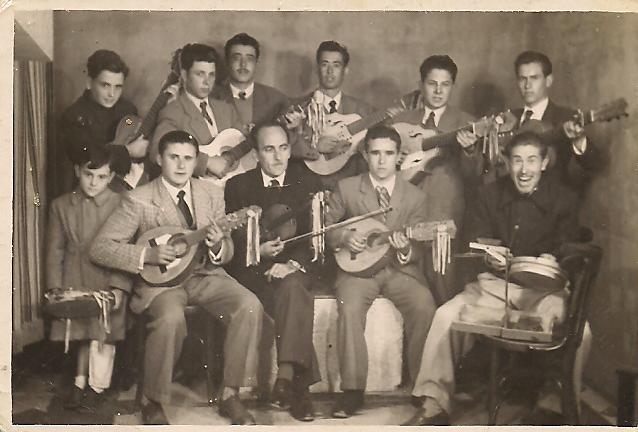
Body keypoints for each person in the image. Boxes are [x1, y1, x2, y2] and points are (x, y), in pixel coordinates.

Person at [402, 128, 591, 426]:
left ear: (544, 163)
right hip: (494, 287)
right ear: (507, 162)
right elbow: (475, 237)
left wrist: (554, 257)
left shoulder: (564, 199)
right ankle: (434, 403)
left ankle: (554, 405)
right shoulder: (490, 194)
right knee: (445, 315)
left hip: (543, 292)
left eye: (531, 161)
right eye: (517, 160)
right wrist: (489, 253)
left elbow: (568, 246)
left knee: (582, 331)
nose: (524, 169)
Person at [90, 130, 264, 425]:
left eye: (188, 159)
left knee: (249, 304)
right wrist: (146, 256)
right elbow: (101, 248)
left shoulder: (211, 193)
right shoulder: (139, 199)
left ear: (197, 161)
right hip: (161, 284)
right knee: (171, 319)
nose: (181, 166)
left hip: (205, 274)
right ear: (159, 159)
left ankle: (230, 394)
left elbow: (228, 251)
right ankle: (152, 399)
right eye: (174, 157)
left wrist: (218, 244)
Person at [324, 124, 437, 418]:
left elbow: (419, 248)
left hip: (399, 270)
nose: (382, 161)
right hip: (357, 271)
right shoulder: (347, 188)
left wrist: (403, 248)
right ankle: (351, 390)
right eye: (375, 153)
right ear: (365, 154)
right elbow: (325, 229)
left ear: (399, 156)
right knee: (348, 307)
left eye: (389, 154)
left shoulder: (414, 197)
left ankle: (421, 386)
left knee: (424, 305)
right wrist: (344, 237)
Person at [224, 122, 323, 422]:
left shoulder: (308, 181)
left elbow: (317, 238)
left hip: (296, 268)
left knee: (293, 287)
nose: (278, 157)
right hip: (254, 271)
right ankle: (297, 388)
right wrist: (258, 252)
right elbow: (232, 240)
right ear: (255, 154)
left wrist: (291, 264)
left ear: (290, 150)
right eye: (269, 149)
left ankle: (287, 377)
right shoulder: (238, 186)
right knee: (293, 297)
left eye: (283, 148)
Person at [46, 145, 127, 411]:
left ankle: (97, 387)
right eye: (88, 175)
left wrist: (119, 287)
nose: (94, 182)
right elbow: (55, 249)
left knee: (102, 335)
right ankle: (80, 383)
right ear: (77, 171)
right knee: (81, 332)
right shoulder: (61, 205)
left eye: (101, 177)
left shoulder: (121, 203)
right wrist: (54, 288)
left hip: (107, 277)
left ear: (111, 177)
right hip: (73, 275)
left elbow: (125, 249)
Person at [392, 54, 477, 304]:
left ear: (452, 86)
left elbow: (476, 177)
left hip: (444, 213)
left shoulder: (467, 123)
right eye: (432, 83)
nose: (439, 91)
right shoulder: (400, 122)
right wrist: (396, 161)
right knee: (407, 290)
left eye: (446, 84)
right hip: (404, 214)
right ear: (421, 84)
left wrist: (470, 151)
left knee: (443, 287)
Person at [462, 51, 601, 188]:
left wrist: (579, 141)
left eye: (534, 78)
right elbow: (487, 167)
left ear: (548, 81)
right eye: (523, 79)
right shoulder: (508, 117)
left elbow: (595, 164)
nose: (527, 85)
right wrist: (471, 150)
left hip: (549, 203)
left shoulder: (565, 117)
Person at [150, 43, 247, 181]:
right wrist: (206, 162)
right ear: (184, 75)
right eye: (200, 74)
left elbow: (243, 145)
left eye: (211, 75)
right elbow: (158, 151)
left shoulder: (227, 109)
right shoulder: (172, 112)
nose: (207, 82)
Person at [289, 40, 377, 190]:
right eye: (324, 64)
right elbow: (285, 145)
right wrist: (314, 146)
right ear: (317, 69)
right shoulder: (298, 107)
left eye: (336, 65)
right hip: (308, 185)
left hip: (351, 186)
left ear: (345, 70)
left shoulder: (364, 111)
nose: (330, 71)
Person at [59, 49, 149, 185]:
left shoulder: (128, 109)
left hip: (122, 185)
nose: (112, 94)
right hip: (89, 189)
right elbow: (88, 156)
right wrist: (128, 151)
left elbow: (135, 134)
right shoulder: (74, 115)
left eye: (118, 87)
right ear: (89, 83)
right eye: (105, 85)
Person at [212, 33, 290, 128]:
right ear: (227, 62)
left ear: (256, 63)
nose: (243, 64)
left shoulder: (277, 100)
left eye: (249, 59)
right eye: (236, 58)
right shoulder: (211, 97)